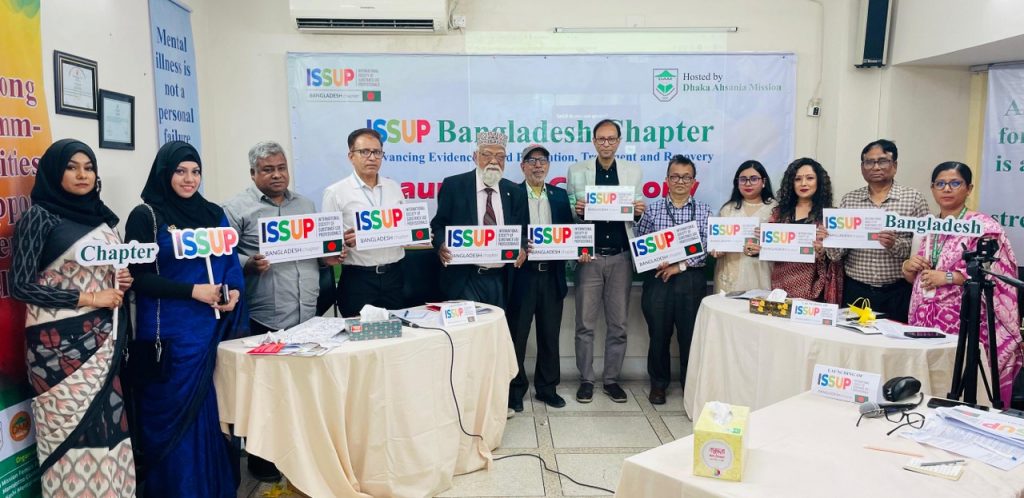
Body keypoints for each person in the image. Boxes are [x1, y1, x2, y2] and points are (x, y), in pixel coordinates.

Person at [10, 139, 136, 497]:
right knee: (69, 433)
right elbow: (20, 286)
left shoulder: (101, 215)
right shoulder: (40, 217)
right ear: (55, 173)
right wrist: (88, 297)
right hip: (58, 348)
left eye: (89, 167)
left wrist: (121, 279)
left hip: (103, 339)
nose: (83, 175)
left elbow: (105, 271)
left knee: (108, 426)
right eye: (72, 167)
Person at [125, 141, 244, 497]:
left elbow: (230, 264)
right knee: (170, 416)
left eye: (195, 171)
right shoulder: (146, 216)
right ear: (165, 173)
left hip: (211, 331)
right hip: (169, 336)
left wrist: (234, 293)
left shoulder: (213, 214)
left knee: (214, 414)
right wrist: (193, 291)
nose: (189, 179)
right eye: (180, 171)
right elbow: (139, 277)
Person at [223, 140, 342, 481]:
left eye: (281, 168)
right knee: (267, 394)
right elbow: (223, 256)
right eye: (268, 170)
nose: (277, 175)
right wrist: (248, 263)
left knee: (304, 390)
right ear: (253, 173)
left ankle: (303, 455)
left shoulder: (305, 205)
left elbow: (319, 251)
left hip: (307, 314)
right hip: (265, 315)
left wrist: (329, 257)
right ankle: (262, 460)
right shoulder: (235, 209)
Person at [902, 162, 1021, 402]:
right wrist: (907, 267)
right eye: (940, 184)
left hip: (965, 321)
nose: (947, 189)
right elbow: (914, 276)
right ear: (932, 188)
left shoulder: (984, 227)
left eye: (955, 183)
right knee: (926, 382)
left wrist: (948, 277)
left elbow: (994, 273)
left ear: (969, 188)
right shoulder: (929, 226)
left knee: (960, 384)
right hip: (924, 319)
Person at [565, 119, 646, 403]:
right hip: (590, 256)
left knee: (619, 324)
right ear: (594, 141)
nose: (606, 144)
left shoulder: (633, 171)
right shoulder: (577, 171)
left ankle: (611, 380)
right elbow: (570, 214)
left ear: (619, 141)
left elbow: (636, 214)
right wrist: (577, 210)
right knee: (584, 324)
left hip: (621, 256)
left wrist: (638, 211)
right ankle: (586, 380)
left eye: (611, 139)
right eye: (601, 139)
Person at [507, 144, 581, 412]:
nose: (538, 165)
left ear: (548, 165)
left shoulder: (559, 196)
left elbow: (570, 233)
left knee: (550, 335)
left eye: (543, 161)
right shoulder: (511, 194)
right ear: (523, 166)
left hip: (551, 275)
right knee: (517, 336)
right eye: (532, 160)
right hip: (523, 276)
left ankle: (547, 388)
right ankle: (515, 390)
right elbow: (506, 230)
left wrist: (581, 249)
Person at [634, 156, 711, 405]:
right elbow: (640, 242)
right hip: (659, 280)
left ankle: (690, 385)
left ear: (693, 181)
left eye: (686, 177)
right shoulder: (653, 209)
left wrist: (680, 265)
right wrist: (653, 259)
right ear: (666, 179)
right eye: (675, 176)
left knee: (689, 336)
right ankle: (658, 385)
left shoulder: (704, 210)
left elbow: (706, 246)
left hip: (691, 280)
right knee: (659, 335)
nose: (680, 181)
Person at [827, 140, 929, 321]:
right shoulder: (849, 200)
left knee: (894, 337)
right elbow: (836, 255)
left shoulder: (914, 198)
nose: (875, 167)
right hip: (856, 290)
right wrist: (830, 239)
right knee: (853, 336)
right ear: (862, 167)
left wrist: (894, 244)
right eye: (869, 162)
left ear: (894, 166)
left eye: (882, 161)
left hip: (898, 291)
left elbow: (925, 247)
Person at [430, 131, 528, 307]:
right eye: (487, 155)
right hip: (465, 278)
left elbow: (522, 231)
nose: (494, 161)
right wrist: (442, 244)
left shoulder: (514, 192)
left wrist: (522, 248)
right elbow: (438, 225)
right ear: (475, 157)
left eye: (500, 156)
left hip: (501, 279)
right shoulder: (454, 186)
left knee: (496, 324)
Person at [323, 128, 405, 317]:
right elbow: (329, 244)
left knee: (398, 331)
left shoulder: (394, 188)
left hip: (394, 276)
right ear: (351, 156)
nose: (372, 157)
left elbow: (404, 228)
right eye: (364, 152)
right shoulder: (335, 192)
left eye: (377, 152)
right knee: (358, 331)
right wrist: (342, 242)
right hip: (358, 279)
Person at [755, 157, 842, 303]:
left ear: (819, 182)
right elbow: (770, 250)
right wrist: (761, 243)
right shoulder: (780, 213)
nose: (803, 183)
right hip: (780, 287)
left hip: (815, 288)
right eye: (797, 179)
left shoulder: (830, 216)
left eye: (810, 178)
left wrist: (824, 250)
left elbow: (838, 256)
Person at [711, 160, 776, 293]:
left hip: (761, 272)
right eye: (743, 179)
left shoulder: (775, 209)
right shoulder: (728, 209)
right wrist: (717, 250)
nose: (748, 183)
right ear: (737, 183)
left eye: (753, 179)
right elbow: (718, 243)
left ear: (763, 181)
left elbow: (783, 247)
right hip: (730, 272)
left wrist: (764, 246)